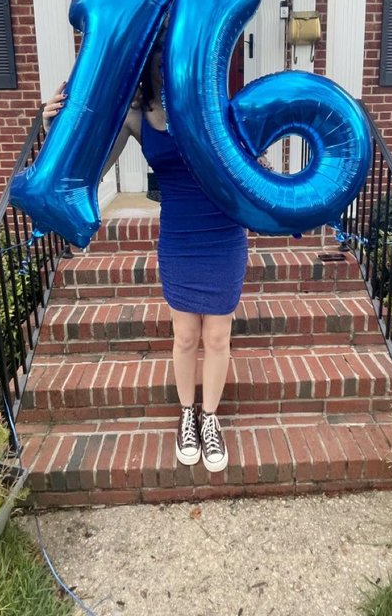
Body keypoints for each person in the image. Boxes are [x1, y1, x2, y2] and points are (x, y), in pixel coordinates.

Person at [42, 37, 249, 473]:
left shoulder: (220, 111)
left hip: (223, 235)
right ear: (148, 62)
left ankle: (210, 418)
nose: (168, 62)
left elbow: (249, 165)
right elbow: (87, 168)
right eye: (160, 55)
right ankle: (188, 415)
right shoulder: (136, 117)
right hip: (179, 238)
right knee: (185, 336)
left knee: (217, 337)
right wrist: (53, 129)